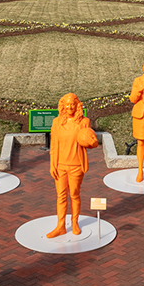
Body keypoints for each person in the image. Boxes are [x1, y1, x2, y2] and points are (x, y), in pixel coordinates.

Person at [48, 92, 99, 238]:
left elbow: (90, 142)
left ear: (77, 105)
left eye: (73, 104)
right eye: (67, 104)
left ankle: (75, 222)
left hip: (76, 164)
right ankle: (61, 226)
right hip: (60, 165)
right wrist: (52, 165)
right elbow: (53, 145)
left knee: (74, 194)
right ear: (63, 106)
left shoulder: (84, 122)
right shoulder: (57, 122)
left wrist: (93, 143)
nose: (70, 107)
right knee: (61, 196)